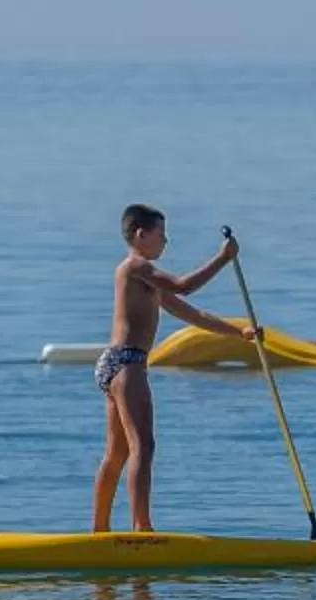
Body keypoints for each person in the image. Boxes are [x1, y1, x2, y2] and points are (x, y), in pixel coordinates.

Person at [94, 206, 256, 532]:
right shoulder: (136, 266)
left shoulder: (146, 280)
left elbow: (193, 314)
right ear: (141, 234)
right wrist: (222, 258)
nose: (166, 241)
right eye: (161, 234)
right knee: (143, 446)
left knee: (117, 453)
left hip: (114, 364)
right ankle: (142, 529)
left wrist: (240, 332)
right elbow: (183, 285)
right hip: (128, 363)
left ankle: (99, 532)